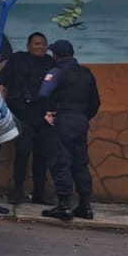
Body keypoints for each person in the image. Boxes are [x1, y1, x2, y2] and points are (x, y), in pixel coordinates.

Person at [37, 39, 102, 222]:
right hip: (80, 121)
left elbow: (43, 94)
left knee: (61, 161)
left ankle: (64, 206)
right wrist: (83, 117)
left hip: (63, 120)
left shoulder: (57, 72)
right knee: (80, 163)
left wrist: (48, 112)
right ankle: (85, 206)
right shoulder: (86, 73)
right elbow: (95, 102)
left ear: (56, 56)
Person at [0, 32, 57, 205]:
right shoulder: (17, 60)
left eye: (44, 44)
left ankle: (39, 192)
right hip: (23, 115)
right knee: (22, 153)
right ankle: (17, 190)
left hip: (44, 117)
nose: (40, 47)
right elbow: (1, 82)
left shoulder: (50, 63)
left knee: (42, 156)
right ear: (28, 46)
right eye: (37, 44)